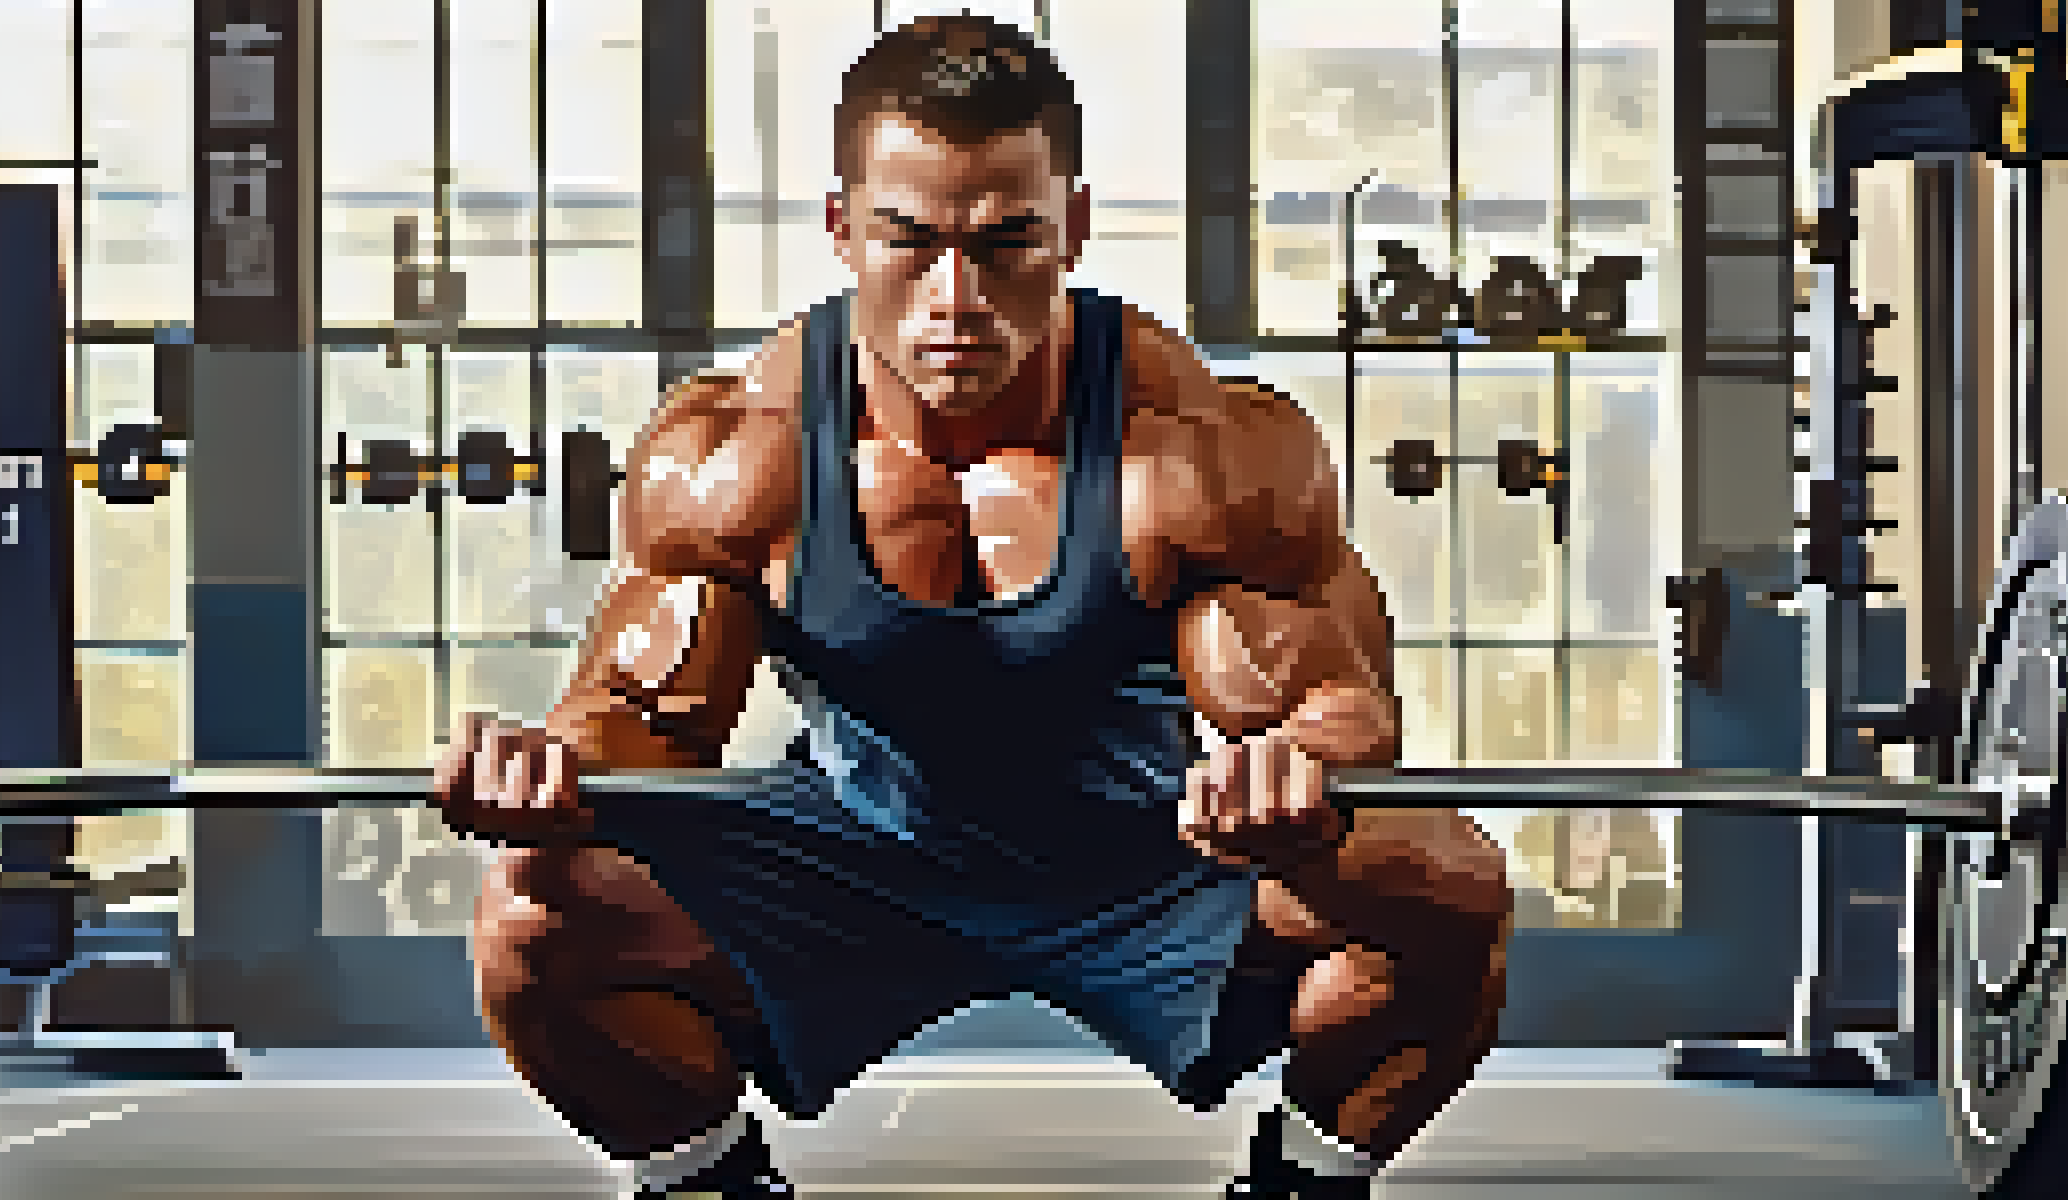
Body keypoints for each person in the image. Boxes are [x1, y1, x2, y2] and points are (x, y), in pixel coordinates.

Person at [431, 14, 1512, 1198]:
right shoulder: (741, 456)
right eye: (908, 241)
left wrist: (1290, 771)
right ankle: (710, 1185)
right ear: (841, 228)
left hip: (1150, 856)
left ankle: (1306, 1181)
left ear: (1074, 228)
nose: (958, 297)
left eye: (1008, 244)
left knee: (1445, 883)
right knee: (535, 918)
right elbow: (640, 726)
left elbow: (1340, 710)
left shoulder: (1198, 453)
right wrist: (548, 775)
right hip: (849, 854)